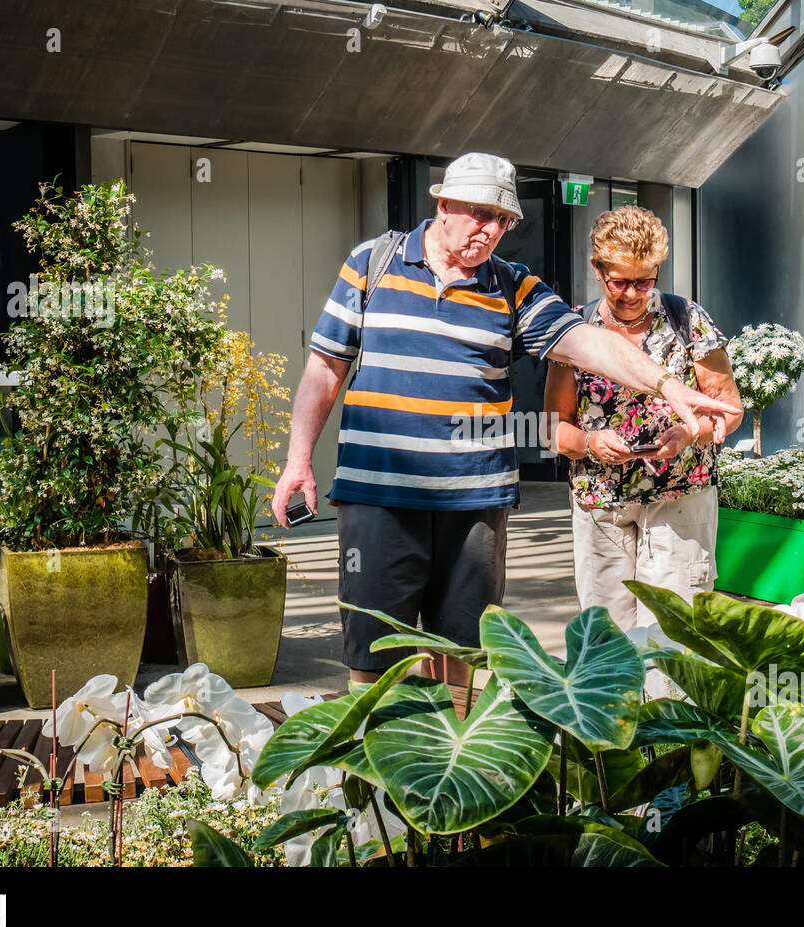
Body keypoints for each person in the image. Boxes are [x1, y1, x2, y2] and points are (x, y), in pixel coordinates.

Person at [271, 154, 739, 685]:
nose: (492, 230)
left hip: (475, 501)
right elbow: (326, 368)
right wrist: (298, 462)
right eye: (480, 214)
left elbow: (584, 342)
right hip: (379, 495)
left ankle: (458, 757)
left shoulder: (513, 285)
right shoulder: (372, 263)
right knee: (375, 655)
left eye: (504, 220)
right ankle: (375, 766)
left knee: (464, 653)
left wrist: (666, 383)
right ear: (443, 205)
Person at [543, 206, 743, 631]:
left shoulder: (687, 321)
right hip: (602, 504)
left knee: (672, 633)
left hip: (681, 501)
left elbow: (730, 410)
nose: (632, 294)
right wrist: (590, 444)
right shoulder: (576, 331)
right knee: (607, 636)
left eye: (645, 281)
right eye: (620, 282)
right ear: (597, 269)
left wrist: (690, 436)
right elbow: (552, 428)